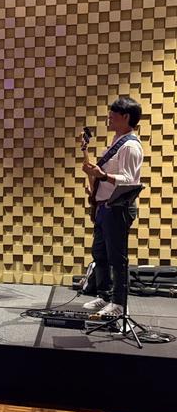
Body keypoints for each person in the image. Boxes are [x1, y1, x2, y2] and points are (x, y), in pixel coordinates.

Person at [82, 97, 143, 316]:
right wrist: (95, 188)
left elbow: (129, 180)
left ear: (125, 117)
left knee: (117, 258)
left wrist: (102, 176)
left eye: (113, 114)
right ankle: (104, 295)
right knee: (100, 253)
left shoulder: (130, 147)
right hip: (104, 207)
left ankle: (118, 302)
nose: (109, 117)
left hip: (118, 208)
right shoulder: (117, 141)